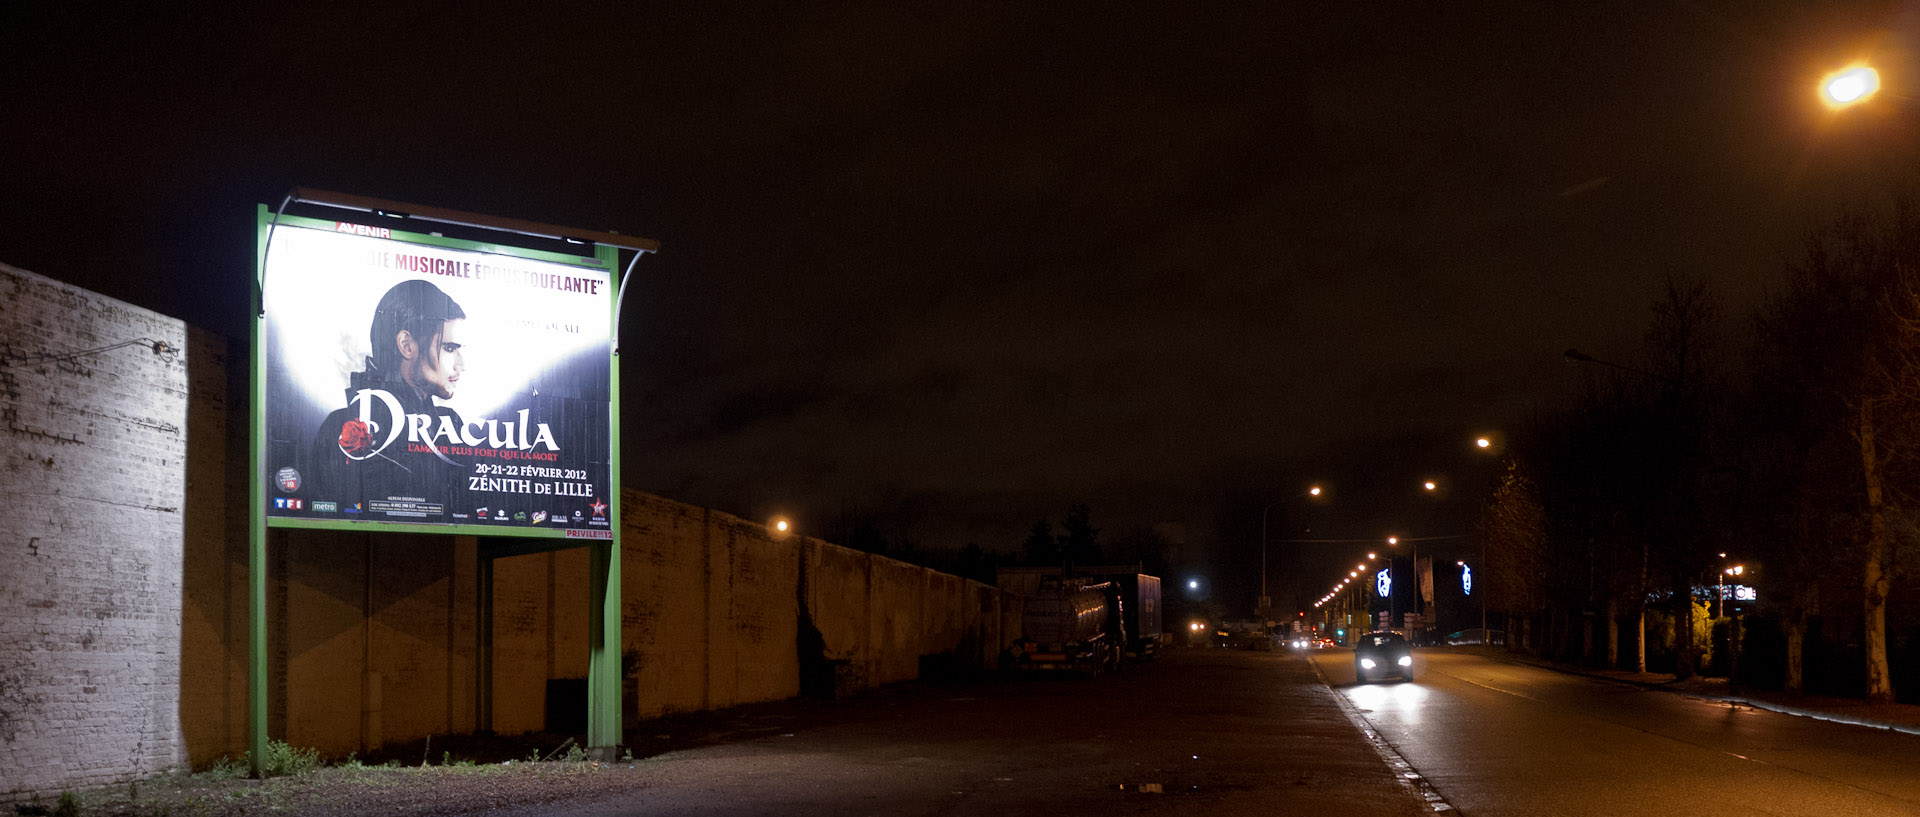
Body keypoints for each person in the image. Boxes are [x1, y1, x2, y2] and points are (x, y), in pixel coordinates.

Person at [305, 279, 470, 515]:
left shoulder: (451, 427)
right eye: (450, 348)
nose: (462, 365)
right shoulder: (340, 428)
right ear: (406, 344)